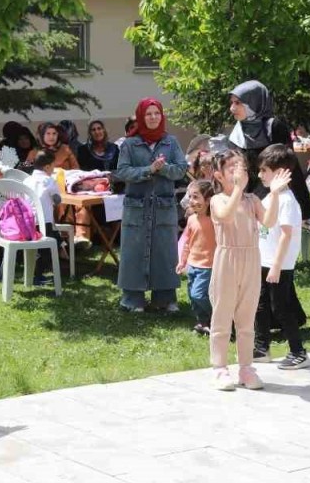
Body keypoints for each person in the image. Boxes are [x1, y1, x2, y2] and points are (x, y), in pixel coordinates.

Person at [209, 150, 288, 392]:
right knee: (222, 315)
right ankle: (220, 368)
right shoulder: (218, 199)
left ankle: (246, 367)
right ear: (218, 175)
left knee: (246, 318)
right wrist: (236, 190)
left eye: (240, 166)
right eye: (231, 167)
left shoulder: (252, 199)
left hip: (251, 257)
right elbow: (225, 216)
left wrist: (274, 194)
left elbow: (270, 221)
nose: (238, 171)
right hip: (227, 257)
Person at [113, 98, 188, 313]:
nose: (153, 117)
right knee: (133, 251)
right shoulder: (129, 144)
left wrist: (162, 169)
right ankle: (132, 299)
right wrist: (149, 170)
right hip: (137, 207)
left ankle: (164, 299)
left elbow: (181, 169)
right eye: (148, 114)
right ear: (141, 117)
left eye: (157, 113)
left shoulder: (171, 142)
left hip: (163, 207)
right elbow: (123, 172)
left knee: (164, 251)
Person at [252, 145, 309, 369]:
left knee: (281, 308)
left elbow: (286, 235)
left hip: (279, 265)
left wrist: (276, 266)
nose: (259, 175)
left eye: (264, 170)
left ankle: (298, 352)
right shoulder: (270, 197)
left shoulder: (287, 201)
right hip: (263, 261)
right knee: (261, 305)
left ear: (280, 173)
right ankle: (261, 348)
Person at [227, 81, 310, 219]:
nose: (232, 108)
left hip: (274, 193)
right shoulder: (237, 131)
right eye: (232, 103)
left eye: (238, 103)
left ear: (254, 102)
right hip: (247, 196)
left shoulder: (273, 127)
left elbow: (285, 163)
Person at [176, 180, 216, 335]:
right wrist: (182, 261)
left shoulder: (215, 220)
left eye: (196, 197)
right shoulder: (192, 219)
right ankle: (202, 322)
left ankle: (215, 317)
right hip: (193, 264)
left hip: (208, 265)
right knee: (193, 297)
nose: (191, 201)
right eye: (190, 197)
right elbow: (187, 242)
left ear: (208, 200)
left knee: (198, 294)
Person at [23, 151, 62, 282]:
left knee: (36, 247)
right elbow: (57, 199)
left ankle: (33, 272)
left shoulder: (27, 180)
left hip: (27, 221)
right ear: (47, 167)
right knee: (49, 246)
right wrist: (57, 198)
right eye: (53, 166)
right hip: (44, 221)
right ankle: (38, 275)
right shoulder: (49, 180)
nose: (53, 169)